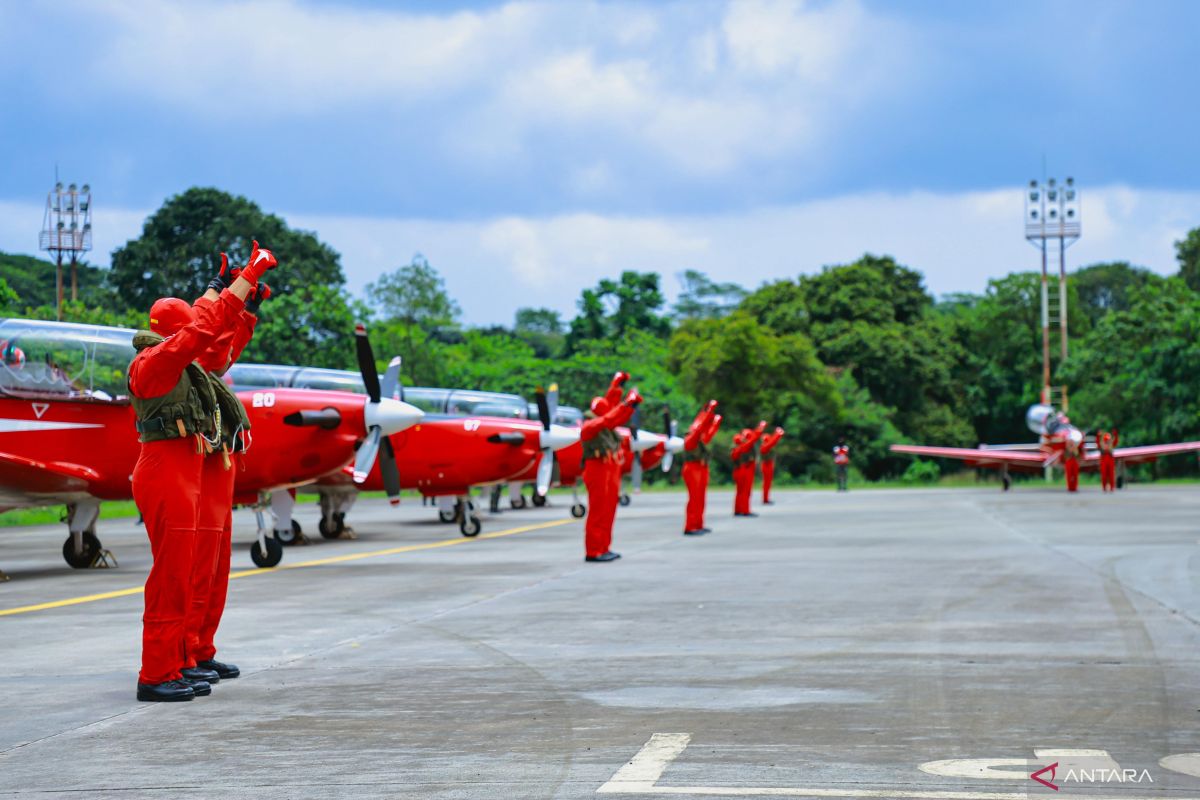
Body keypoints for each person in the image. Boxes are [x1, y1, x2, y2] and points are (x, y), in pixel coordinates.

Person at [128, 242, 278, 702]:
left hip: (190, 464)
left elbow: (215, 339)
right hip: (167, 466)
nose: (199, 327)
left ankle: (188, 655)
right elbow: (202, 332)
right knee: (174, 574)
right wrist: (242, 281)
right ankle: (158, 671)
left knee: (203, 568)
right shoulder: (157, 362)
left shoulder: (184, 363)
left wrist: (235, 298)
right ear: (175, 333)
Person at [181, 254, 272, 687]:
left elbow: (223, 346)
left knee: (216, 568)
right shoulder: (179, 361)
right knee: (198, 567)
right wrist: (224, 287)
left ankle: (200, 648)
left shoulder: (204, 366)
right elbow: (210, 333)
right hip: (198, 470)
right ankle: (184, 652)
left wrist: (248, 306)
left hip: (219, 467)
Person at [581, 372, 641, 562]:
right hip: (597, 467)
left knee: (609, 510)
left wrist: (618, 387)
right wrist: (626, 404)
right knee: (598, 511)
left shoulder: (604, 422)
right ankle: (593, 551)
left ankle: (604, 547)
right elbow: (610, 417)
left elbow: (612, 409)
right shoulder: (590, 425)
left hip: (609, 467)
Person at [681, 400, 719, 535]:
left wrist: (714, 421)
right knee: (694, 498)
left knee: (701, 497)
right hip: (692, 468)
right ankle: (690, 526)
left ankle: (698, 524)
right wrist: (708, 413)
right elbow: (699, 427)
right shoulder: (691, 439)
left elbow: (708, 432)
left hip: (701, 468)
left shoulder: (699, 439)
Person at [732, 421, 767, 517]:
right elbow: (755, 437)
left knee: (740, 491)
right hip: (745, 469)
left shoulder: (739, 446)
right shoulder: (745, 446)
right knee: (745, 491)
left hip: (740, 469)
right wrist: (761, 428)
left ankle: (738, 509)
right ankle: (745, 510)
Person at [759, 426, 785, 504]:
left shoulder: (767, 446)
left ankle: (766, 498)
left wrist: (776, 434)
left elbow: (773, 441)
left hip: (768, 464)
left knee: (768, 483)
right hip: (766, 465)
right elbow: (773, 441)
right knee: (766, 483)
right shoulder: (764, 446)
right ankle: (765, 499)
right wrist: (778, 434)